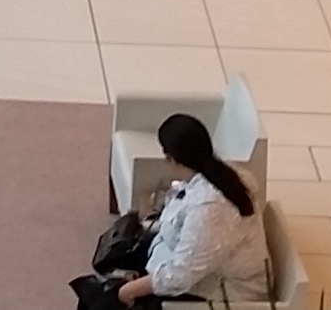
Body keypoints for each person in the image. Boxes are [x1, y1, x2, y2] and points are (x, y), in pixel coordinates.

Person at [77, 111, 267, 307]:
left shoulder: (209, 210)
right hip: (186, 264)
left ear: (172, 159)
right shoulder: (226, 172)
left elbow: (181, 275)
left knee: (103, 300)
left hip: (217, 291)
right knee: (112, 258)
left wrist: (127, 292)